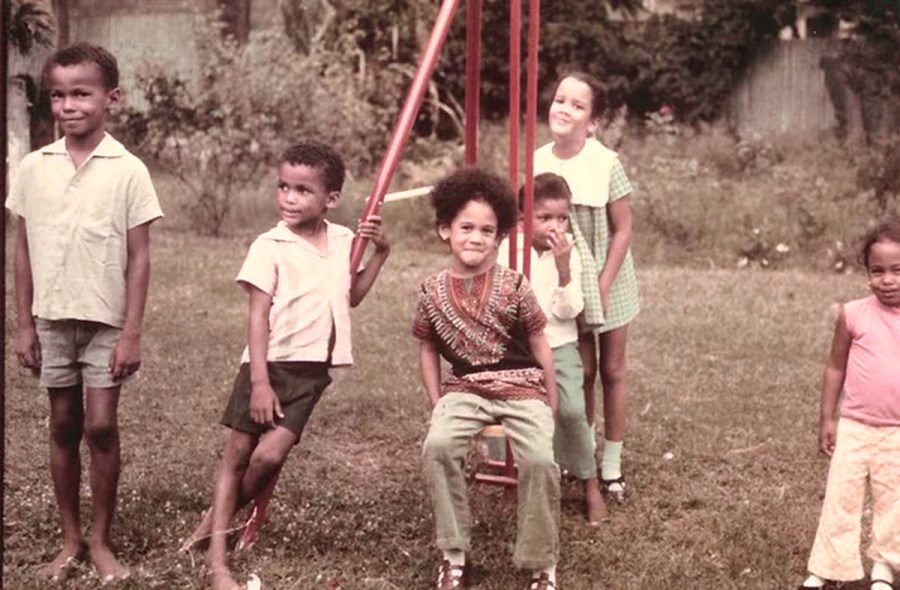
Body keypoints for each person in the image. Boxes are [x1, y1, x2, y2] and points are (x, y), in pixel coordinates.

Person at [183, 140, 390, 590]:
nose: (288, 198)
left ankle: (208, 527)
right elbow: (257, 316)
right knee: (238, 457)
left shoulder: (344, 241)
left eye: (302, 190)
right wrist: (259, 383)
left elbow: (352, 297)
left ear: (330, 199)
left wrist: (379, 253)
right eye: (283, 187)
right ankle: (217, 563)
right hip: (266, 367)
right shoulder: (270, 245)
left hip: (312, 373)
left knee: (269, 456)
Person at [6, 42, 163, 583]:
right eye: (58, 95)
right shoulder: (33, 167)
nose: (69, 105)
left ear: (111, 99)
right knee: (63, 423)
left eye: (81, 94)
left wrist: (132, 332)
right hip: (51, 319)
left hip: (106, 322)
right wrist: (23, 324)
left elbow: (140, 257)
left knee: (100, 426)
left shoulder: (128, 170)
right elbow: (22, 250)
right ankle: (70, 538)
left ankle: (100, 539)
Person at [414, 168, 561, 590]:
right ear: (445, 229)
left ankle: (542, 564)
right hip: (464, 389)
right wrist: (437, 401)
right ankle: (453, 555)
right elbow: (427, 348)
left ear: (500, 237)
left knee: (539, 459)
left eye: (487, 230)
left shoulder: (515, 285)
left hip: (522, 386)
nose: (476, 238)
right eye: (466, 228)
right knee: (438, 446)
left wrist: (550, 399)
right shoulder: (431, 292)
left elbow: (540, 341)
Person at [533, 71, 640, 503]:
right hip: (566, 277)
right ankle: (583, 457)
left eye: (578, 106)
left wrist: (605, 284)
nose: (564, 109)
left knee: (612, 370)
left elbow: (623, 229)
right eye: (560, 100)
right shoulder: (538, 160)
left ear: (593, 122)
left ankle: (612, 463)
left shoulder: (606, 162)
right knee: (582, 371)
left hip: (608, 274)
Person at [797, 221, 900, 590]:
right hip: (855, 425)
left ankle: (885, 567)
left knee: (894, 500)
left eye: (898, 270)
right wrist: (827, 418)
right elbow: (835, 367)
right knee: (841, 496)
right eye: (877, 271)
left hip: (898, 432)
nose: (887, 280)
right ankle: (829, 566)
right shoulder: (853, 314)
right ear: (866, 272)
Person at [499, 173, 607, 525]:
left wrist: (563, 270)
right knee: (519, 412)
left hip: (558, 343)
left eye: (562, 218)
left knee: (573, 411)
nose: (555, 227)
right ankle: (519, 477)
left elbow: (569, 311)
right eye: (545, 217)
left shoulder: (568, 251)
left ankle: (589, 482)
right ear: (522, 218)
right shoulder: (507, 250)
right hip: (518, 348)